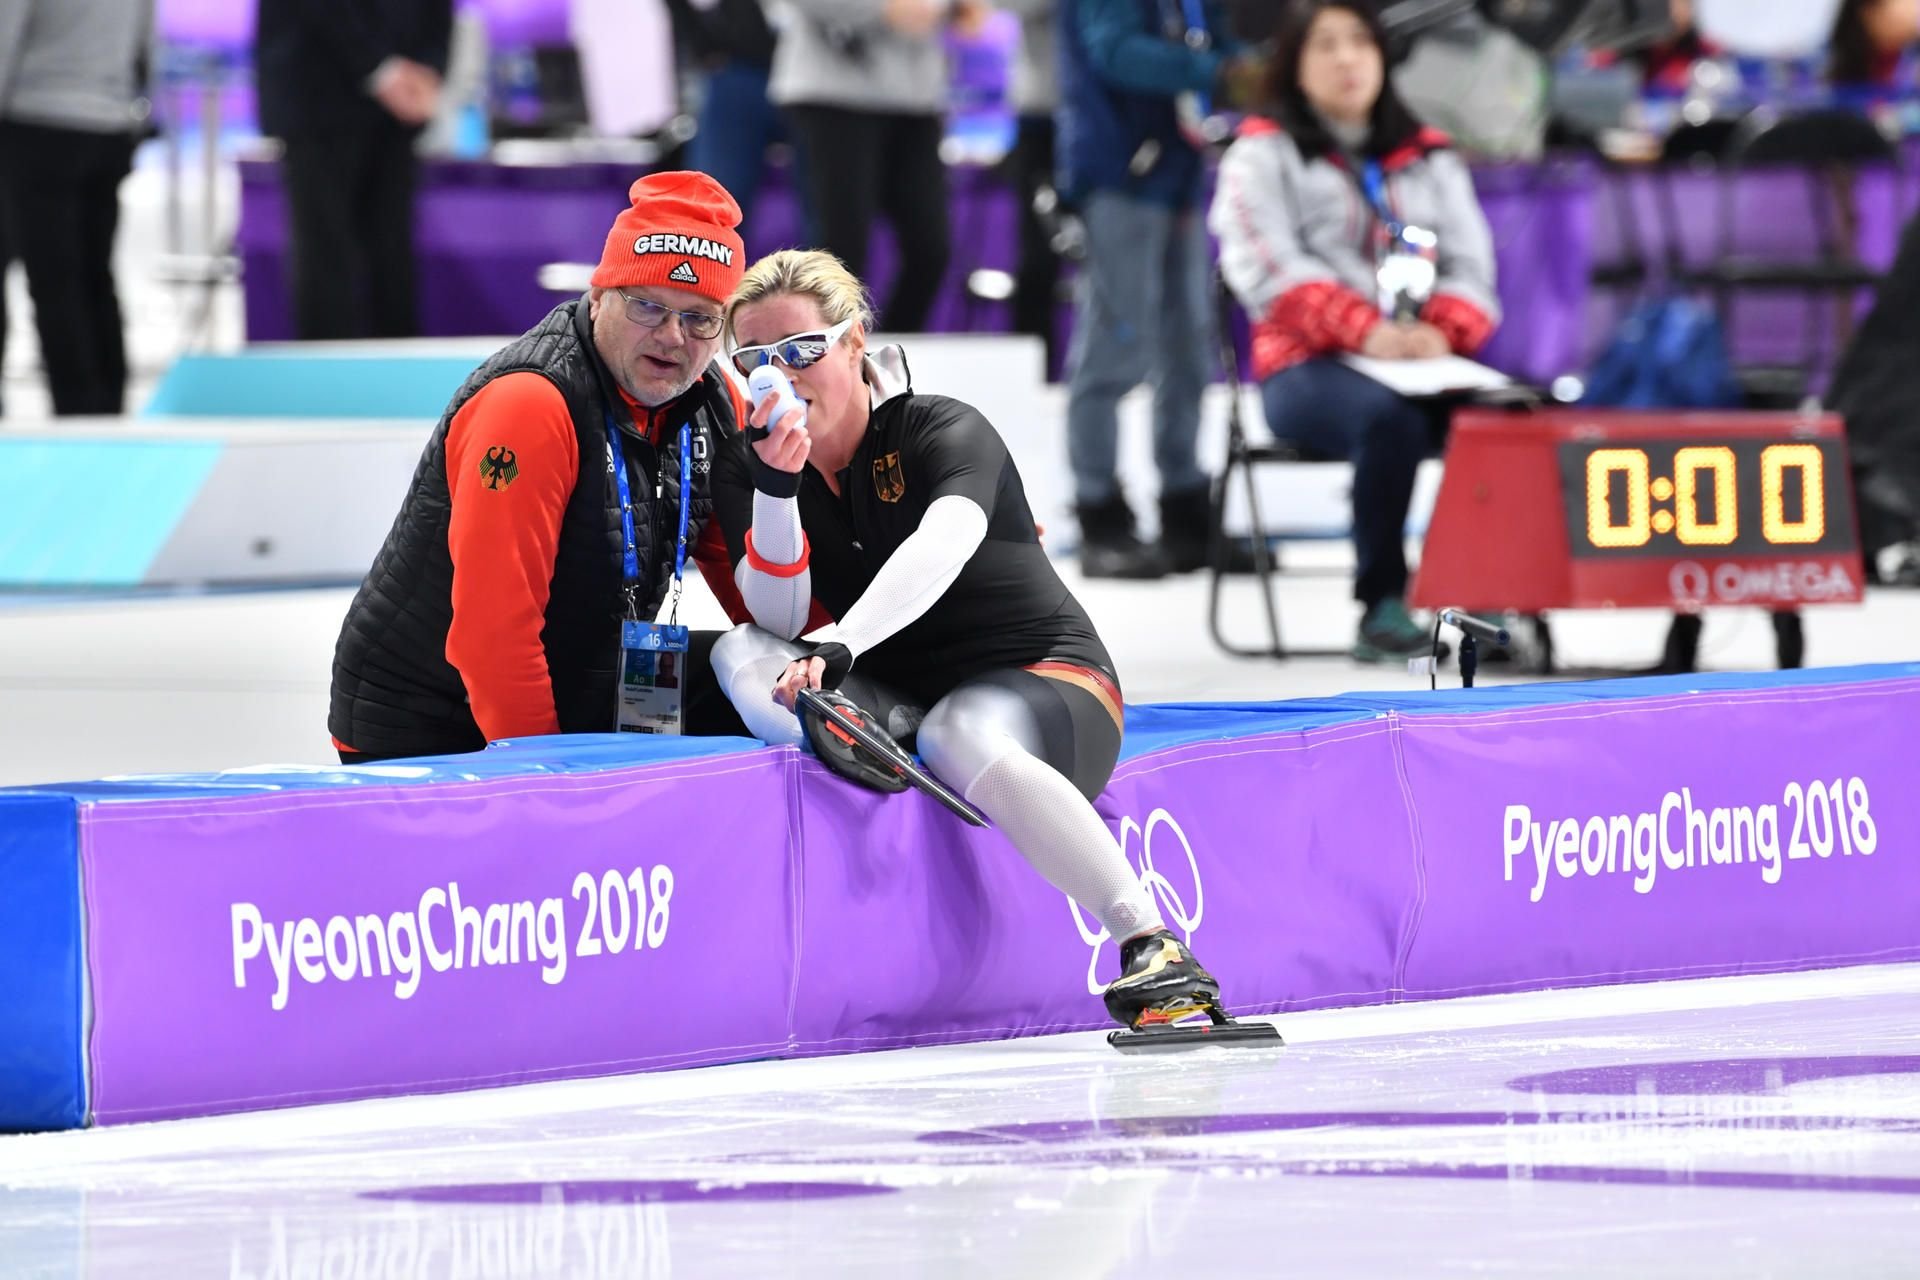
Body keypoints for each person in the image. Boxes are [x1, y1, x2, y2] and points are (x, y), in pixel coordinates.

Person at [704, 247, 1235, 1031]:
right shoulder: (751, 460)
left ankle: (1155, 945)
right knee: (736, 651)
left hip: (1048, 684)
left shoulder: (939, 427)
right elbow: (779, 624)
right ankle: (864, 757)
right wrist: (777, 489)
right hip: (905, 702)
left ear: (854, 345)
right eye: (757, 360)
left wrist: (844, 643)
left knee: (958, 726)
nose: (781, 377)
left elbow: (944, 542)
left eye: (803, 351)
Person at [328, 172, 756, 763]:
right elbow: (492, 641)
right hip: (432, 725)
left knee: (774, 682)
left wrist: (787, 492)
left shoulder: (715, 402)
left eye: (700, 317)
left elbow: (758, 601)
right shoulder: (529, 406)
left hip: (582, 675)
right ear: (600, 296)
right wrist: (552, 791)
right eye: (648, 306)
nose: (671, 336)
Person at [1210, 0, 1500, 662]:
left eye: (1360, 44)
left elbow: (1474, 267)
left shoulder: (1427, 154)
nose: (1347, 60)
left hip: (1426, 357)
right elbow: (1266, 267)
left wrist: (1442, 329)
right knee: (1388, 420)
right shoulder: (1261, 152)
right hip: (1305, 366)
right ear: (1296, 67)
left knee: (1509, 416)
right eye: (1327, 46)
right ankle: (1382, 605)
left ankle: (1488, 595)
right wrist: (1364, 330)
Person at [1057, 0, 1262, 578]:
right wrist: (1216, 72)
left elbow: (1211, 37)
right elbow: (1115, 52)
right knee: (1115, 346)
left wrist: (1255, 66)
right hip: (1119, 171)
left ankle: (1186, 510)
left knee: (1189, 348)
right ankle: (1098, 514)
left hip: (1178, 170)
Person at [253, 0, 451, 341]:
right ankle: (328, 387)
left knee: (393, 261)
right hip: (318, 97)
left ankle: (397, 383)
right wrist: (381, 69)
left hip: (398, 113)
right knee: (326, 261)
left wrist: (429, 67)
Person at [771, 0, 959, 332]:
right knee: (842, 246)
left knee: (931, 247)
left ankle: (889, 353)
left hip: (915, 99)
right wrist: (883, 10)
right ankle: (828, 349)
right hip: (834, 94)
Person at [0, 0, 149, 416]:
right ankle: (107, 405)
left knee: (55, 283)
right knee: (95, 277)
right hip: (109, 123)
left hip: (39, 123)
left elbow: (4, 39)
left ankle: (77, 411)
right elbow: (147, 43)